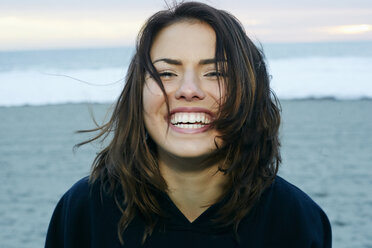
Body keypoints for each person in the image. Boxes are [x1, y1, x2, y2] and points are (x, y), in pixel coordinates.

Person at [45, 2, 332, 247]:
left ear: (249, 93)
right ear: (137, 95)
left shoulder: (296, 219)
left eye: (215, 73)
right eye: (167, 73)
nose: (189, 89)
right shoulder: (83, 210)